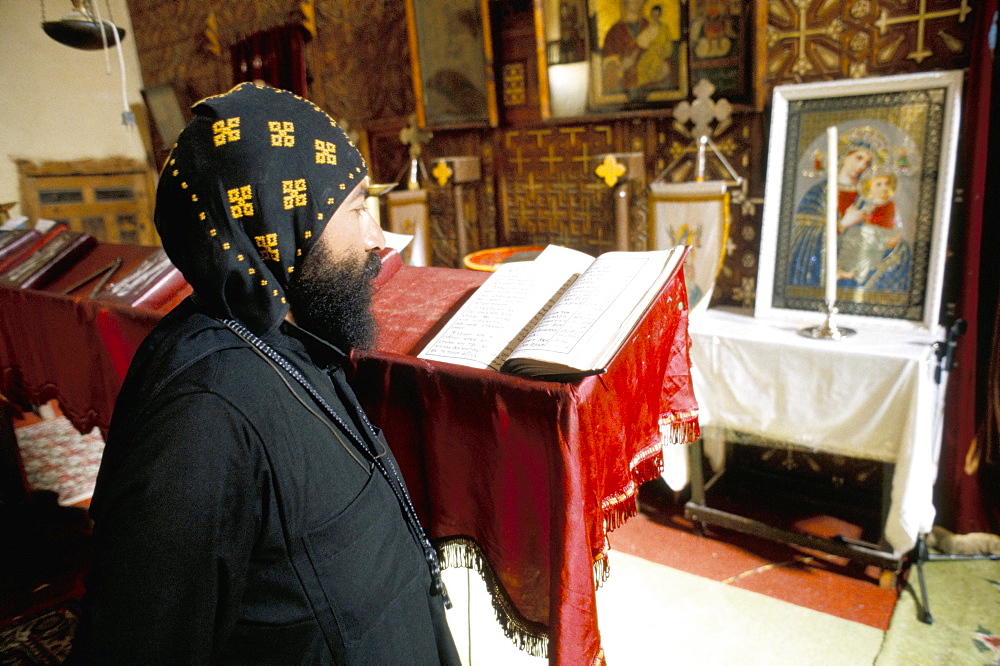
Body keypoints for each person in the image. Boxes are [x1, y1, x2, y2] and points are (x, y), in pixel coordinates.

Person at [71, 82, 460, 664]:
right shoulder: (201, 419)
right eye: (355, 209)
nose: (378, 239)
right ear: (281, 220)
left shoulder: (285, 331)